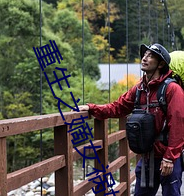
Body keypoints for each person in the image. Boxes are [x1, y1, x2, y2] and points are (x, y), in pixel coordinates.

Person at [77, 43, 184, 196]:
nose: (144, 58)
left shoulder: (173, 90)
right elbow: (118, 107)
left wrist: (170, 158)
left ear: (161, 64)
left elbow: (178, 126)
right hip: (147, 157)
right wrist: (92, 108)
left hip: (167, 158)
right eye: (144, 55)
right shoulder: (139, 89)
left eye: (150, 56)